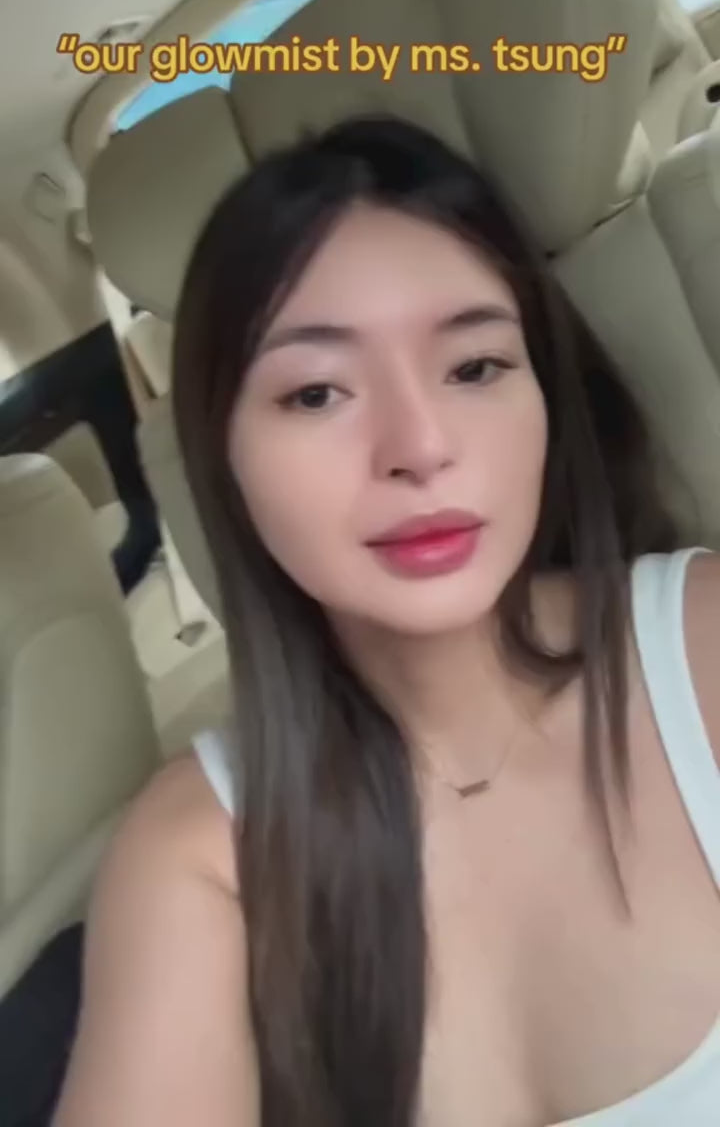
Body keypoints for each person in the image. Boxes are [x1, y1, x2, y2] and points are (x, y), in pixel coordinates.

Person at [52, 114, 720, 1127]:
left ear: (545, 397)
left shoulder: (704, 653)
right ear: (225, 461)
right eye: (317, 392)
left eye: (475, 367)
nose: (419, 445)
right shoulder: (200, 854)